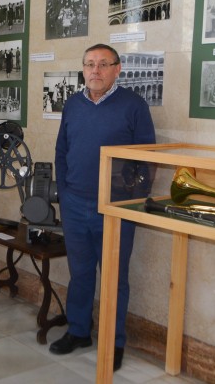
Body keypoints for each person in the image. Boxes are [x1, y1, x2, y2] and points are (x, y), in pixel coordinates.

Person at [52, 43, 156, 371]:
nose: (95, 71)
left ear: (117, 69)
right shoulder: (73, 104)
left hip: (115, 208)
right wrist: (65, 191)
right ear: (83, 69)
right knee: (80, 272)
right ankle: (79, 331)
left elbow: (148, 159)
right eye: (89, 64)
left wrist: (130, 202)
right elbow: (61, 150)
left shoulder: (134, 106)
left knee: (114, 277)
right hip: (75, 204)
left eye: (103, 64)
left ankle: (114, 341)